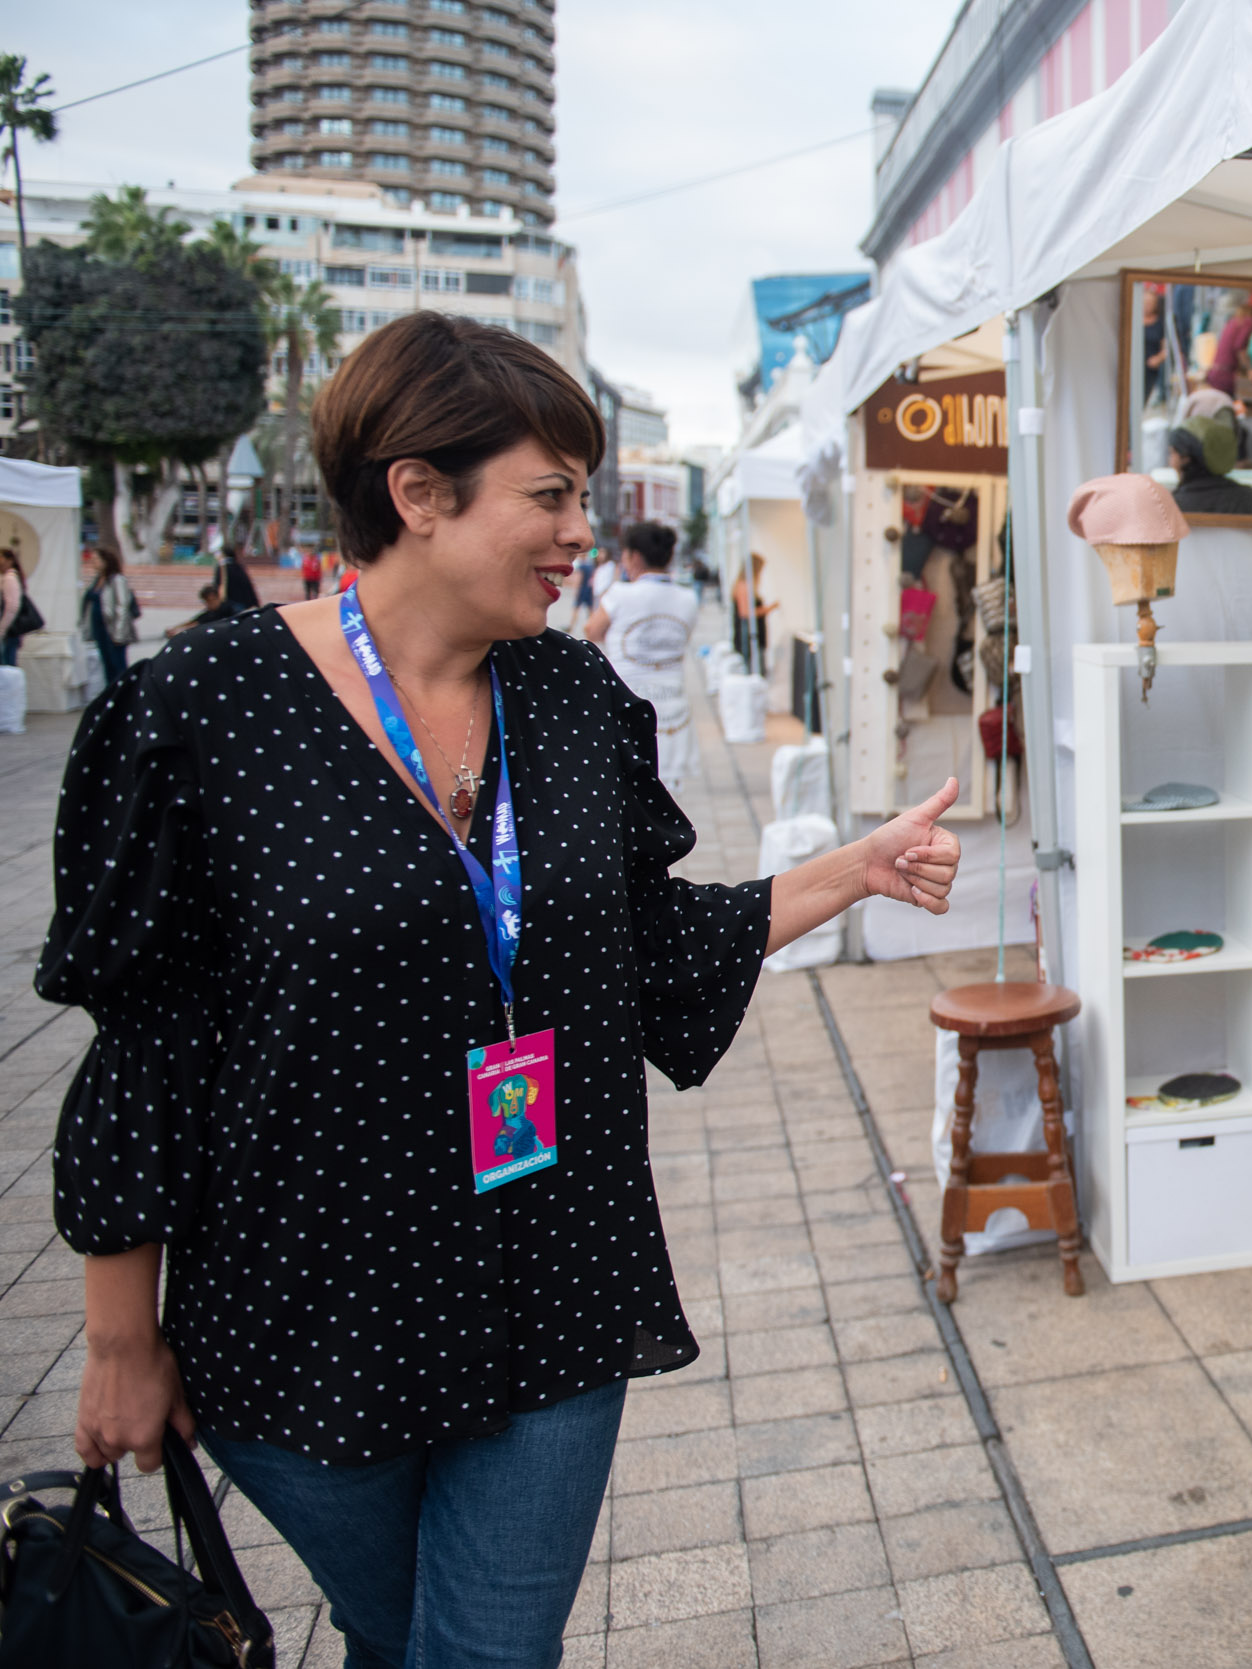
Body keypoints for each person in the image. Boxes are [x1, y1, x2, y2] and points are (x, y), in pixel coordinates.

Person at [44, 311, 963, 1669]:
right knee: (392, 1631)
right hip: (309, 1315)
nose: (580, 530)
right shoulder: (204, 710)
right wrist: (122, 1336)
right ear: (418, 493)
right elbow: (145, 1049)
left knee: (482, 1653)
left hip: (557, 1280)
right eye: (550, 495)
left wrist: (855, 871)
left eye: (581, 497)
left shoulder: (574, 697)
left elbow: (653, 946)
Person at [586, 520, 700, 789]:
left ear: (634, 556)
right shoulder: (688, 598)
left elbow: (592, 629)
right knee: (666, 789)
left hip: (629, 697)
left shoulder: (620, 594)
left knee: (627, 782)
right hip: (673, 702)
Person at [1167, 414, 1252, 516]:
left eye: (1172, 453)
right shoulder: (1251, 498)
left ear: (1185, 458)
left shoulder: (1173, 505)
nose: (1170, 462)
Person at [80, 545, 140, 689]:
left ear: (105, 561)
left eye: (96, 559)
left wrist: (119, 632)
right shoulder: (98, 580)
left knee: (117, 664)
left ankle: (123, 693)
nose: (93, 562)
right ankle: (111, 692)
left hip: (112, 629)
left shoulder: (117, 580)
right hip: (99, 627)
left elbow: (122, 605)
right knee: (107, 664)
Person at [730, 551, 776, 669]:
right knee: (754, 668)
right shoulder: (744, 586)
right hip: (749, 636)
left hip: (753, 634)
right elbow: (745, 613)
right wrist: (768, 609)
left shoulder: (745, 585)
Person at [0, 548, 26, 668]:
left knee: (7, 668)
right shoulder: (9, 577)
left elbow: (12, 606)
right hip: (10, 632)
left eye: (1, 558)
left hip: (9, 632)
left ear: (9, 560)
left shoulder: (10, 578)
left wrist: (2, 629)